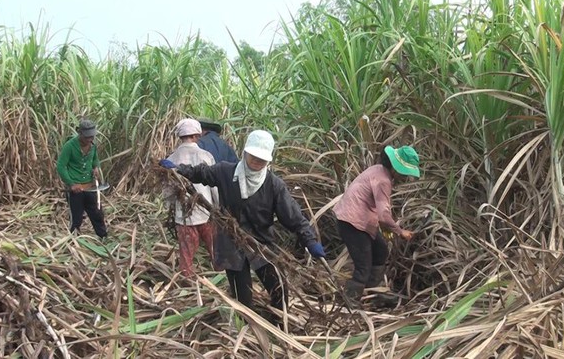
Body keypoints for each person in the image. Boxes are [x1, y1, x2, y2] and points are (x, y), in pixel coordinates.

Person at [159, 129, 325, 321]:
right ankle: (247, 328)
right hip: (231, 243)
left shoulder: (274, 185)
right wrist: (178, 169)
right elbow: (200, 173)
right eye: (253, 156)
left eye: (261, 159)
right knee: (242, 297)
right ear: (245, 152)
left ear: (268, 161)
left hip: (260, 243)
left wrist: (310, 240)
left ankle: (279, 323)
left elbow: (294, 217)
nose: (256, 162)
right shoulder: (225, 172)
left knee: (278, 287)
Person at [332, 145, 420, 307]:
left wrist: (385, 226)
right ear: (396, 168)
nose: (406, 177)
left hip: (357, 221)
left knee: (380, 252)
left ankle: (370, 295)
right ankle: (350, 306)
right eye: (405, 173)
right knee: (363, 268)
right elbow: (384, 215)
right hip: (353, 223)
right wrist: (401, 232)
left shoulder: (378, 170)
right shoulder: (383, 181)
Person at [164, 118, 220, 278]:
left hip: (184, 216)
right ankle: (220, 273)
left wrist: (172, 209)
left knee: (186, 253)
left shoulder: (172, 159)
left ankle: (186, 279)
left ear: (180, 136)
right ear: (197, 135)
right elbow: (214, 186)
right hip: (206, 212)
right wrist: (217, 206)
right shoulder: (206, 156)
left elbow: (167, 192)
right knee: (214, 248)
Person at [56, 119, 108, 239]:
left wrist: (96, 168)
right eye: (87, 137)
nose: (90, 140)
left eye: (92, 136)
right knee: (76, 217)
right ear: (80, 134)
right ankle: (74, 240)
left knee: (96, 213)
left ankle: (103, 236)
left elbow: (95, 159)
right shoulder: (69, 146)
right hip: (76, 189)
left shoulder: (92, 146)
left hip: (90, 187)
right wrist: (71, 183)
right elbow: (61, 166)